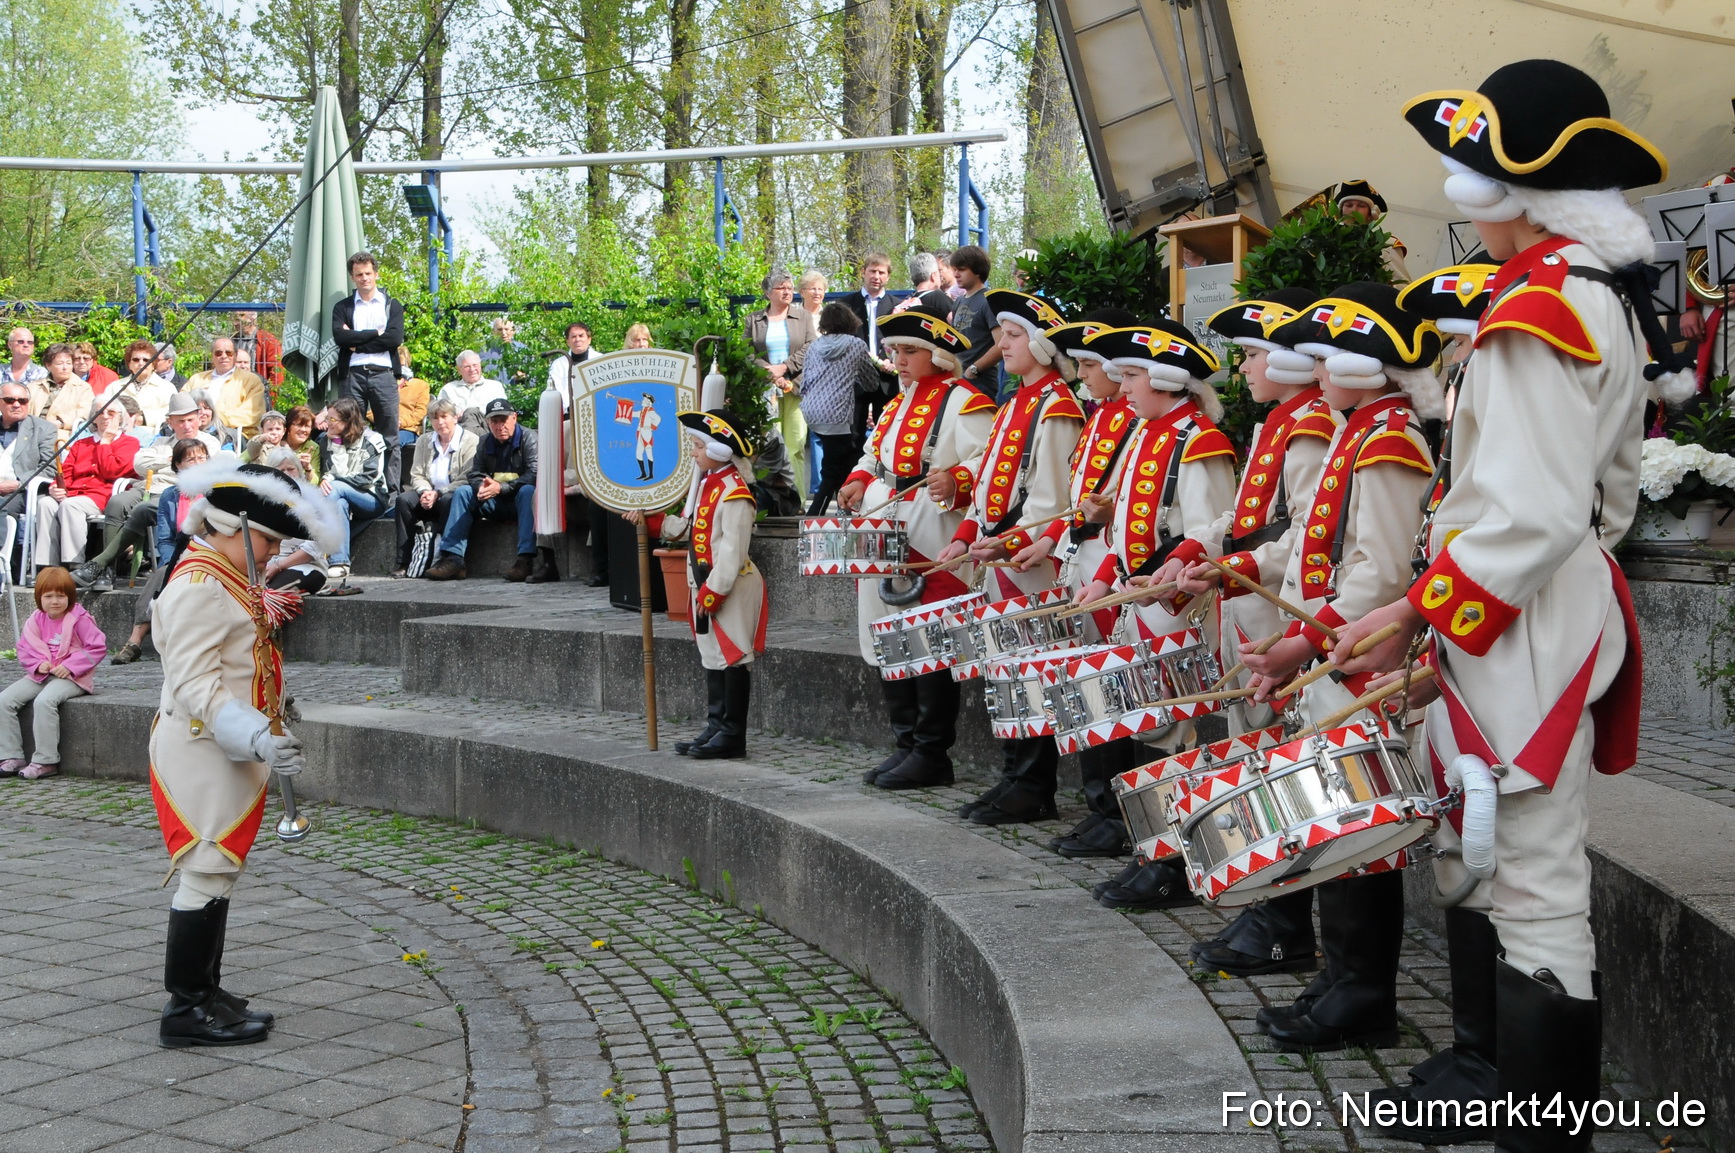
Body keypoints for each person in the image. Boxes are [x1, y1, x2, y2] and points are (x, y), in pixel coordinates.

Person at [1323, 60, 1671, 1150]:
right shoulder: (1587, 294)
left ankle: (1540, 1131)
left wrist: (1414, 614)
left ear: (1510, 191)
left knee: (1531, 881)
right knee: (1504, 858)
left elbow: (1525, 515)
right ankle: (1500, 1087)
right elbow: (1597, 503)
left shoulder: (1540, 307)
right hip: (1531, 610)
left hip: (1515, 619)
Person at [1222, 285, 1441, 1057]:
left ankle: (1361, 992)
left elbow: (1377, 575)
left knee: (1356, 826)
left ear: (1367, 366)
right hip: (1332, 655)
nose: (1310, 369)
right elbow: (1317, 551)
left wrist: (1307, 646)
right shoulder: (1359, 430)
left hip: (1356, 662)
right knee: (1331, 817)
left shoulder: (1386, 442)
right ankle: (1342, 976)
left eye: (1325, 358)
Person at [1151, 289, 1338, 974]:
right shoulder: (1279, 420)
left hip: (1277, 614)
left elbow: (1304, 538)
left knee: (1275, 761)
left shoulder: (1310, 424)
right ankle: (1268, 909)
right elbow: (1243, 520)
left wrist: (1234, 565)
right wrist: (1210, 558)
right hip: (1248, 607)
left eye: (1256, 353)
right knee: (1250, 757)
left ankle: (1287, 923)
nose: (1246, 367)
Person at [148, 459, 341, 1047]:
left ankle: (205, 991)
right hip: (204, 745)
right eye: (269, 538)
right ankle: (184, 1010)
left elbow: (244, 660)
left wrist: (273, 711)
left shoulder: (224, 575)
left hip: (229, 742)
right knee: (206, 869)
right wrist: (257, 735)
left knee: (221, 873)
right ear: (233, 525)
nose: (275, 549)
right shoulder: (199, 585)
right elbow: (197, 687)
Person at [1072, 319, 1237, 907]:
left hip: (1174, 612)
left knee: (1172, 733)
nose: (1123, 383)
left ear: (1168, 379)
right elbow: (1125, 525)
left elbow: (1211, 536)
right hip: (1135, 605)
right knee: (1143, 726)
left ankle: (1177, 861)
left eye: (1135, 373)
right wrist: (1103, 576)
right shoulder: (1147, 432)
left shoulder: (1200, 440)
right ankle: (1151, 849)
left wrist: (1168, 591)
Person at [930, 291, 1086, 819]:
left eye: (1015, 334)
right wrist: (965, 533)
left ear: (1042, 345)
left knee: (1031, 669)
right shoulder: (1016, 401)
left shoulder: (1058, 407)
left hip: (1029, 561)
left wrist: (1008, 541)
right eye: (1001, 333)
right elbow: (992, 487)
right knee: (1005, 670)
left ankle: (1033, 785)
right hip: (999, 554)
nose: (1002, 342)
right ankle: (1013, 773)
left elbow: (1049, 499)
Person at [836, 311, 995, 787]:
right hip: (884, 520)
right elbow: (873, 452)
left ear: (938, 354)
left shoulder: (966, 400)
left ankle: (931, 751)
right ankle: (906, 742)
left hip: (933, 522)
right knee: (885, 630)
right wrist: (858, 479)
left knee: (927, 633)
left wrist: (959, 478)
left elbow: (988, 460)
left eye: (909, 352)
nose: (898, 361)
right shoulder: (898, 401)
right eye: (894, 352)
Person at [1008, 306, 1144, 859]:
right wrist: (1052, 538)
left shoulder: (1132, 420)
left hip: (1111, 566)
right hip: (1084, 562)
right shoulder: (1102, 415)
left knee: (1116, 687)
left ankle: (1119, 813)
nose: (1082, 373)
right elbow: (1075, 502)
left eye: (1092, 363)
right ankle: (1100, 806)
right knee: (1093, 686)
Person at [631, 409, 767, 759]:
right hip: (705, 584)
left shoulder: (735, 493)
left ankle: (732, 735)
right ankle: (717, 725)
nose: (692, 452)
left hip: (729, 587)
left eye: (696, 445)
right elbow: (687, 529)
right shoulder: (710, 484)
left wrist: (714, 592)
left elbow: (733, 553)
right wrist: (650, 518)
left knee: (733, 657)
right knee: (713, 656)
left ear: (719, 451)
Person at [73, 393, 220, 591]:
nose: (187, 426)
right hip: (148, 487)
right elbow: (139, 463)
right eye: (181, 421)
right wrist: (170, 459)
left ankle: (101, 565)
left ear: (198, 418)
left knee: (143, 509)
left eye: (191, 420)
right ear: (170, 422)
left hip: (176, 493)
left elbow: (198, 470)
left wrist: (163, 462)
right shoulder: (161, 442)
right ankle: (108, 573)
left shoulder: (208, 443)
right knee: (117, 502)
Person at [424, 398, 547, 583]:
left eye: (503, 420)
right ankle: (453, 558)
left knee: (529, 491)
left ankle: (525, 560)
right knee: (463, 492)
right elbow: (475, 473)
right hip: (494, 501)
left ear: (514, 418)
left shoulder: (529, 438)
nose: (499, 426)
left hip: (520, 502)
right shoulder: (484, 441)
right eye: (494, 421)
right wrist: (481, 486)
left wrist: (502, 488)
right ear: (488, 423)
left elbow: (534, 473)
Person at [0, 567, 106, 781]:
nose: (55, 601)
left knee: (45, 701)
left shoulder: (79, 619)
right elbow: (25, 647)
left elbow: (97, 647)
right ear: (39, 598)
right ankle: (11, 756)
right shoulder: (36, 619)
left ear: (70, 597)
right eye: (48, 596)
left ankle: (45, 760)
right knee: (4, 700)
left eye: (61, 595)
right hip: (42, 674)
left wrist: (70, 666)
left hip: (72, 677)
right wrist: (38, 665)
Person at [111, 438, 211, 665]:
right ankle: (134, 641)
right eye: (190, 459)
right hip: (179, 554)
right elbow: (165, 539)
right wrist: (173, 562)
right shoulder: (170, 495)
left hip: (212, 554)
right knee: (161, 575)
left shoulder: (217, 492)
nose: (197, 463)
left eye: (201, 458)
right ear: (178, 465)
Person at [34, 399, 139, 569]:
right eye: (100, 413)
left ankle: (74, 564)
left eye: (111, 413)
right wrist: (56, 488)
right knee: (46, 503)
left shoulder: (129, 443)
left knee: (70, 505)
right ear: (93, 418)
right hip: (73, 494)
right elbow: (66, 472)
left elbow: (111, 471)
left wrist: (105, 442)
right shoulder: (81, 444)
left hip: (103, 497)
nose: (105, 416)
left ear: (120, 418)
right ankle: (48, 566)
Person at [332, 250, 405, 491]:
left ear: (376, 274)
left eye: (367, 273)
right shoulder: (343, 306)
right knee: (351, 429)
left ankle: (391, 490)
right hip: (353, 374)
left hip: (384, 374)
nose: (364, 278)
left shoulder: (392, 305)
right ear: (352, 278)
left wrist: (357, 342)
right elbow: (340, 337)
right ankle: (355, 485)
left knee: (389, 433)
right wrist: (375, 333)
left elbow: (394, 338)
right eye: (358, 274)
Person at [799, 303, 882, 514]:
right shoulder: (855, 344)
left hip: (813, 412)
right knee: (832, 470)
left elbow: (805, 380)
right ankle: (815, 516)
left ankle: (845, 511)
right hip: (838, 414)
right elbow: (871, 381)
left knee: (845, 460)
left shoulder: (814, 346)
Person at [745, 269, 812, 499]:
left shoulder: (803, 316)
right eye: (781, 287)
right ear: (767, 293)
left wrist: (784, 368)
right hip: (766, 390)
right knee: (770, 446)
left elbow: (810, 347)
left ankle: (798, 499)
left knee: (795, 445)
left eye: (790, 287)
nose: (787, 292)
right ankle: (770, 500)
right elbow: (746, 352)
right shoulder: (753, 320)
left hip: (796, 387)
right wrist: (770, 373)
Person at [394, 398, 478, 576]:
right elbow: (416, 473)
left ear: (455, 418)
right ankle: (403, 562)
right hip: (428, 493)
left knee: (450, 499)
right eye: (434, 418)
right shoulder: (424, 440)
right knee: (403, 500)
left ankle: (445, 558)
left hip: (450, 495)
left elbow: (467, 477)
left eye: (444, 417)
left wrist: (439, 493)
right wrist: (425, 491)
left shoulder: (471, 440)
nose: (440, 422)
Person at [317, 397, 390, 585]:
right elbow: (330, 473)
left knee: (334, 488)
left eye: (332, 420)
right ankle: (339, 563)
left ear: (347, 421)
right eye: (328, 418)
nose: (327, 424)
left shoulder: (372, 440)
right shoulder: (326, 441)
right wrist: (338, 445)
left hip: (372, 498)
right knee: (338, 500)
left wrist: (334, 479)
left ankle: (329, 553)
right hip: (341, 497)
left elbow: (368, 478)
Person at [838, 255, 900, 440]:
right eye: (872, 271)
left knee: (887, 431)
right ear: (863, 272)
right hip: (856, 378)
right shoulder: (845, 305)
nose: (876, 276)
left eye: (881, 272)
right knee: (854, 433)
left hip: (887, 378)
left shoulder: (897, 306)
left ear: (888, 277)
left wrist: (894, 360)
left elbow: (902, 340)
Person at [0, 381, 57, 537]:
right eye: (10, 400)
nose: (17, 404)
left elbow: (49, 468)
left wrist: (18, 484)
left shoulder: (44, 429)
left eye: (22, 400)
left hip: (22, 492)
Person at [184, 337, 267, 438]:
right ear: (212, 356)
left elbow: (252, 413)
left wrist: (214, 420)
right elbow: (181, 402)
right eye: (218, 353)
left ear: (235, 356)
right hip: (194, 431)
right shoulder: (197, 379)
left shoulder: (251, 381)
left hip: (232, 434)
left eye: (229, 353)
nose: (224, 356)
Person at [947, 247, 1002, 398]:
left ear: (977, 270)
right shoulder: (958, 301)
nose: (956, 274)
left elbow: (1001, 344)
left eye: (962, 269)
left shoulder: (989, 300)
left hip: (981, 382)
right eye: (955, 269)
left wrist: (974, 368)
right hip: (958, 380)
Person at [437, 350, 508, 434]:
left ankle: (466, 444)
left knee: (470, 413)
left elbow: (503, 412)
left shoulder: (495, 386)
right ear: (459, 370)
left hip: (489, 429)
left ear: (480, 366)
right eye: (467, 366)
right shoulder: (449, 389)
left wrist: (470, 413)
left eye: (475, 365)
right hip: (457, 430)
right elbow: (439, 414)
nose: (472, 369)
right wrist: (455, 417)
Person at [118, 339, 178, 431]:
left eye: (146, 360)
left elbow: (174, 413)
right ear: (129, 364)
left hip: (155, 440)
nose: (141, 363)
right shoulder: (115, 387)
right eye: (136, 360)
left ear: (153, 364)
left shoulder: (167, 388)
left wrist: (144, 419)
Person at [42, 343, 94, 434]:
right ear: (48, 365)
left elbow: (85, 412)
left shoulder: (83, 388)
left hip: (62, 437)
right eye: (60, 363)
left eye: (69, 363)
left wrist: (61, 422)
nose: (65, 367)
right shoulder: (34, 386)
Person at [547, 322, 595, 413]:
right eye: (573, 336)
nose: (577, 339)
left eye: (581, 336)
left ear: (589, 339)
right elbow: (557, 393)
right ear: (567, 341)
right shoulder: (558, 365)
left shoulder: (600, 360)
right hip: (569, 415)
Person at [231, 311, 283, 395]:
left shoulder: (269, 340)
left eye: (238, 319)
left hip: (258, 391)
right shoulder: (232, 340)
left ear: (252, 318)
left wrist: (269, 399)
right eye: (235, 320)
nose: (235, 323)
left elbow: (277, 373)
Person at [893, 252, 954, 318]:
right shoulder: (938, 298)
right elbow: (957, 323)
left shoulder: (906, 301)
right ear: (933, 276)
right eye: (938, 272)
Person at [188, 387, 245, 453]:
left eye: (207, 408)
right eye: (198, 409)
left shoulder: (231, 436)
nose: (203, 413)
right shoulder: (180, 437)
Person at [2, 328, 46, 402]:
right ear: (10, 344)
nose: (26, 345)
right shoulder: (1, 371)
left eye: (29, 342)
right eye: (20, 342)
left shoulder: (42, 374)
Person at [284, 405, 321, 484]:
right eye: (299, 425)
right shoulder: (276, 441)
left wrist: (308, 468)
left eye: (307, 426)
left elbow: (315, 483)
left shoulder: (313, 447)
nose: (304, 430)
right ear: (288, 426)